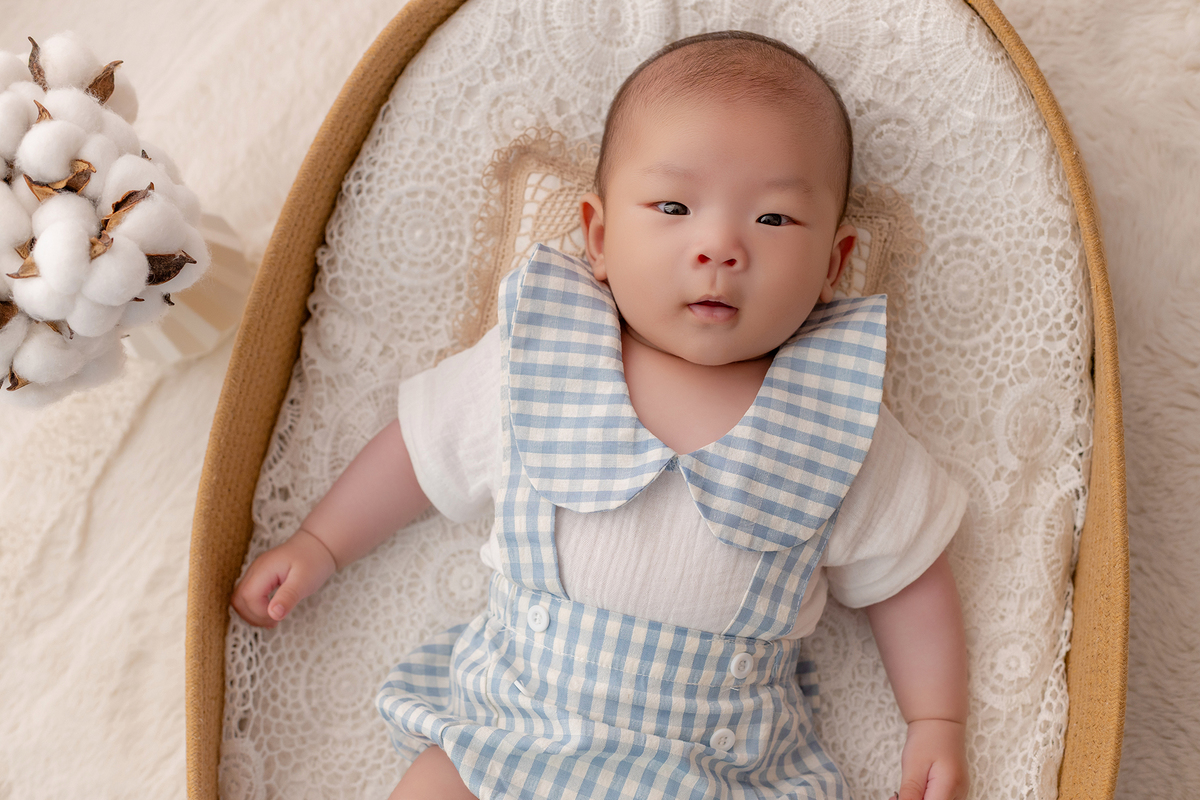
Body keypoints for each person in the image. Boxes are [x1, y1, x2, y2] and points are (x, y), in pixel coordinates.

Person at [232, 31, 969, 800]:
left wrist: (935, 722)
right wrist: (320, 542)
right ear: (600, 236)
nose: (718, 246)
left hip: (709, 770)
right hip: (512, 730)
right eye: (674, 206)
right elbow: (416, 452)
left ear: (833, 265)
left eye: (774, 220)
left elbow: (909, 575)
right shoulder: (538, 362)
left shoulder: (835, 420)